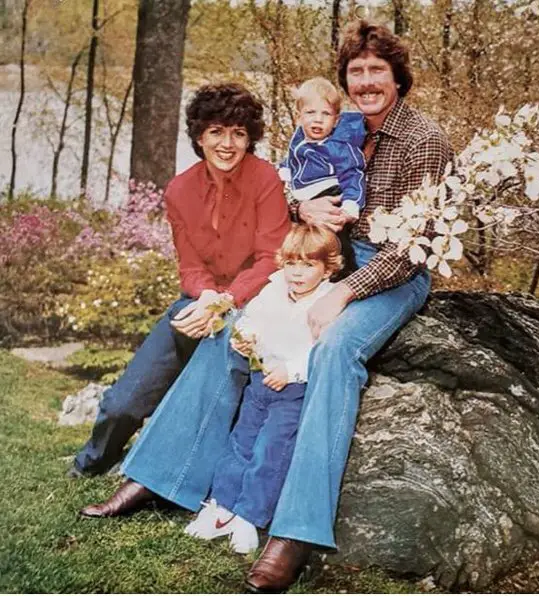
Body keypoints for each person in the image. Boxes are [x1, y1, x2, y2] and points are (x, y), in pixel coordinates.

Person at [78, 20, 451, 594]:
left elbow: (416, 243)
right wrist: (307, 217)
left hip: (388, 270)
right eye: (357, 71)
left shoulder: (424, 138)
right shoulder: (335, 125)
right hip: (324, 258)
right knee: (237, 330)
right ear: (345, 81)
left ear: (398, 78)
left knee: (332, 350)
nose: (367, 81)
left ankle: (296, 530)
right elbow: (301, 199)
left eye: (378, 71)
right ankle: (160, 474)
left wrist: (345, 292)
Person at [69, 82, 290, 477]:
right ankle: (91, 463)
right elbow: (189, 266)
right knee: (123, 401)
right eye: (217, 132)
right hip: (197, 303)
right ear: (200, 136)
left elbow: (271, 259)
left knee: (215, 398)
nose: (227, 144)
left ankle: (179, 475)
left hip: (253, 307)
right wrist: (206, 298)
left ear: (250, 139)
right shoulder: (179, 189)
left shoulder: (265, 179)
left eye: (238, 134)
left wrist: (225, 302)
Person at [182, 224, 343, 554]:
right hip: (260, 381)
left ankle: (249, 516)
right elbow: (251, 319)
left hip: (293, 390)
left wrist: (292, 370)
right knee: (240, 443)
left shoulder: (329, 301)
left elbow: (321, 349)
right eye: (292, 263)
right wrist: (245, 337)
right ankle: (221, 507)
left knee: (271, 450)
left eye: (308, 265)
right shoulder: (273, 289)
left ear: (327, 269)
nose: (297, 273)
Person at [279, 77, 366, 273]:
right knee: (305, 240)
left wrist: (352, 203)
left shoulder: (339, 146)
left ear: (336, 120)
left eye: (326, 114)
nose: (318, 119)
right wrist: (285, 169)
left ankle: (345, 270)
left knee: (332, 237)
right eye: (310, 112)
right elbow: (294, 158)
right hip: (304, 194)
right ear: (299, 116)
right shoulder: (299, 136)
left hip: (330, 192)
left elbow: (353, 175)